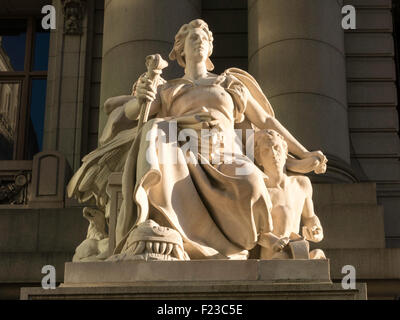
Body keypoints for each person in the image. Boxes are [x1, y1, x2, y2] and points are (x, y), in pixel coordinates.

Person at [68, 19, 327, 260]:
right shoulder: (169, 88)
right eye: (193, 38)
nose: (200, 41)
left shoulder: (229, 83)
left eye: (204, 38)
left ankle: (259, 235)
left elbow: (267, 122)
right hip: (182, 153)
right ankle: (152, 222)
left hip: (226, 153)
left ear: (210, 47)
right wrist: (141, 99)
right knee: (156, 128)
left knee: (252, 184)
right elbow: (128, 114)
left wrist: (304, 154)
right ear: (181, 50)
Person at [253, 129, 325, 260]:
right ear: (259, 159)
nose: (273, 154)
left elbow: (310, 217)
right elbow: (255, 232)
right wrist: (273, 242)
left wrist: (316, 230)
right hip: (273, 256)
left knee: (318, 256)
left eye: (276, 148)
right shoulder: (259, 190)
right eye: (266, 151)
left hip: (298, 249)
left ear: (285, 151)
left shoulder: (302, 183)